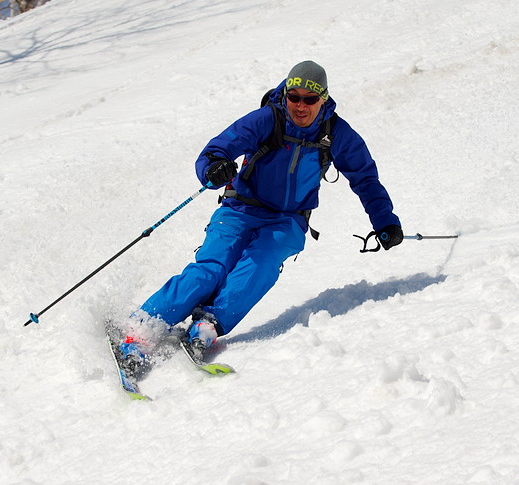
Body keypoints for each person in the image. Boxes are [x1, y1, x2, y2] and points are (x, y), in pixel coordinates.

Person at [116, 60, 402, 366]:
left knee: (262, 263)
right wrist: (215, 166)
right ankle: (141, 329)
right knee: (211, 269)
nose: (301, 106)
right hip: (239, 209)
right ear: (286, 95)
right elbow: (218, 148)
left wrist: (384, 220)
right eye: (295, 97)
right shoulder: (268, 119)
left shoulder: (337, 134)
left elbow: (365, 178)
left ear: (323, 99)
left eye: (309, 99)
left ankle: (208, 324)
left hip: (287, 220)